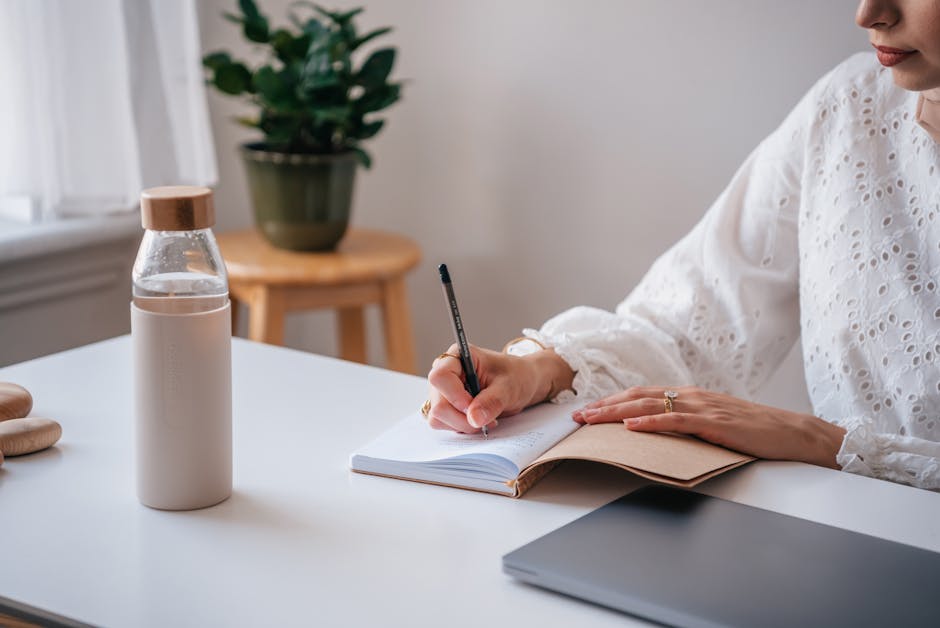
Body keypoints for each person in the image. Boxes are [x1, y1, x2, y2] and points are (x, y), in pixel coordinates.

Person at [423, 0, 940, 490]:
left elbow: (829, 444)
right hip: (833, 527)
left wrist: (826, 443)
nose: (868, 14)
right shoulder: (851, 105)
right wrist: (538, 372)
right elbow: (689, 331)